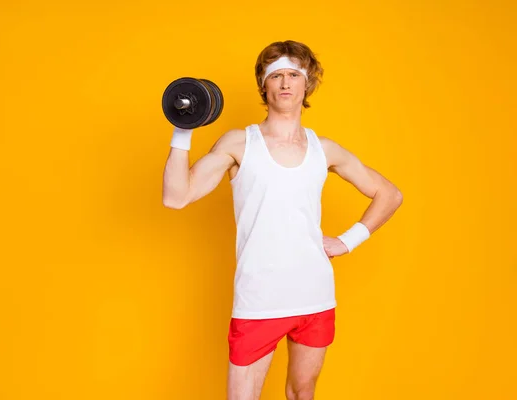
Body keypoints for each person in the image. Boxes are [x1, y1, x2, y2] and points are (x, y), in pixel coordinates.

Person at [162, 40, 403, 400]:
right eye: (276, 75)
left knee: (301, 393)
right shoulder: (238, 144)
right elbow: (176, 196)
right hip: (259, 298)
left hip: (315, 297)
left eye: (294, 75)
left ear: (307, 84)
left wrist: (349, 240)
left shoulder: (325, 149)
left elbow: (390, 193)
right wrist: (183, 128)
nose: (286, 83)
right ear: (264, 85)